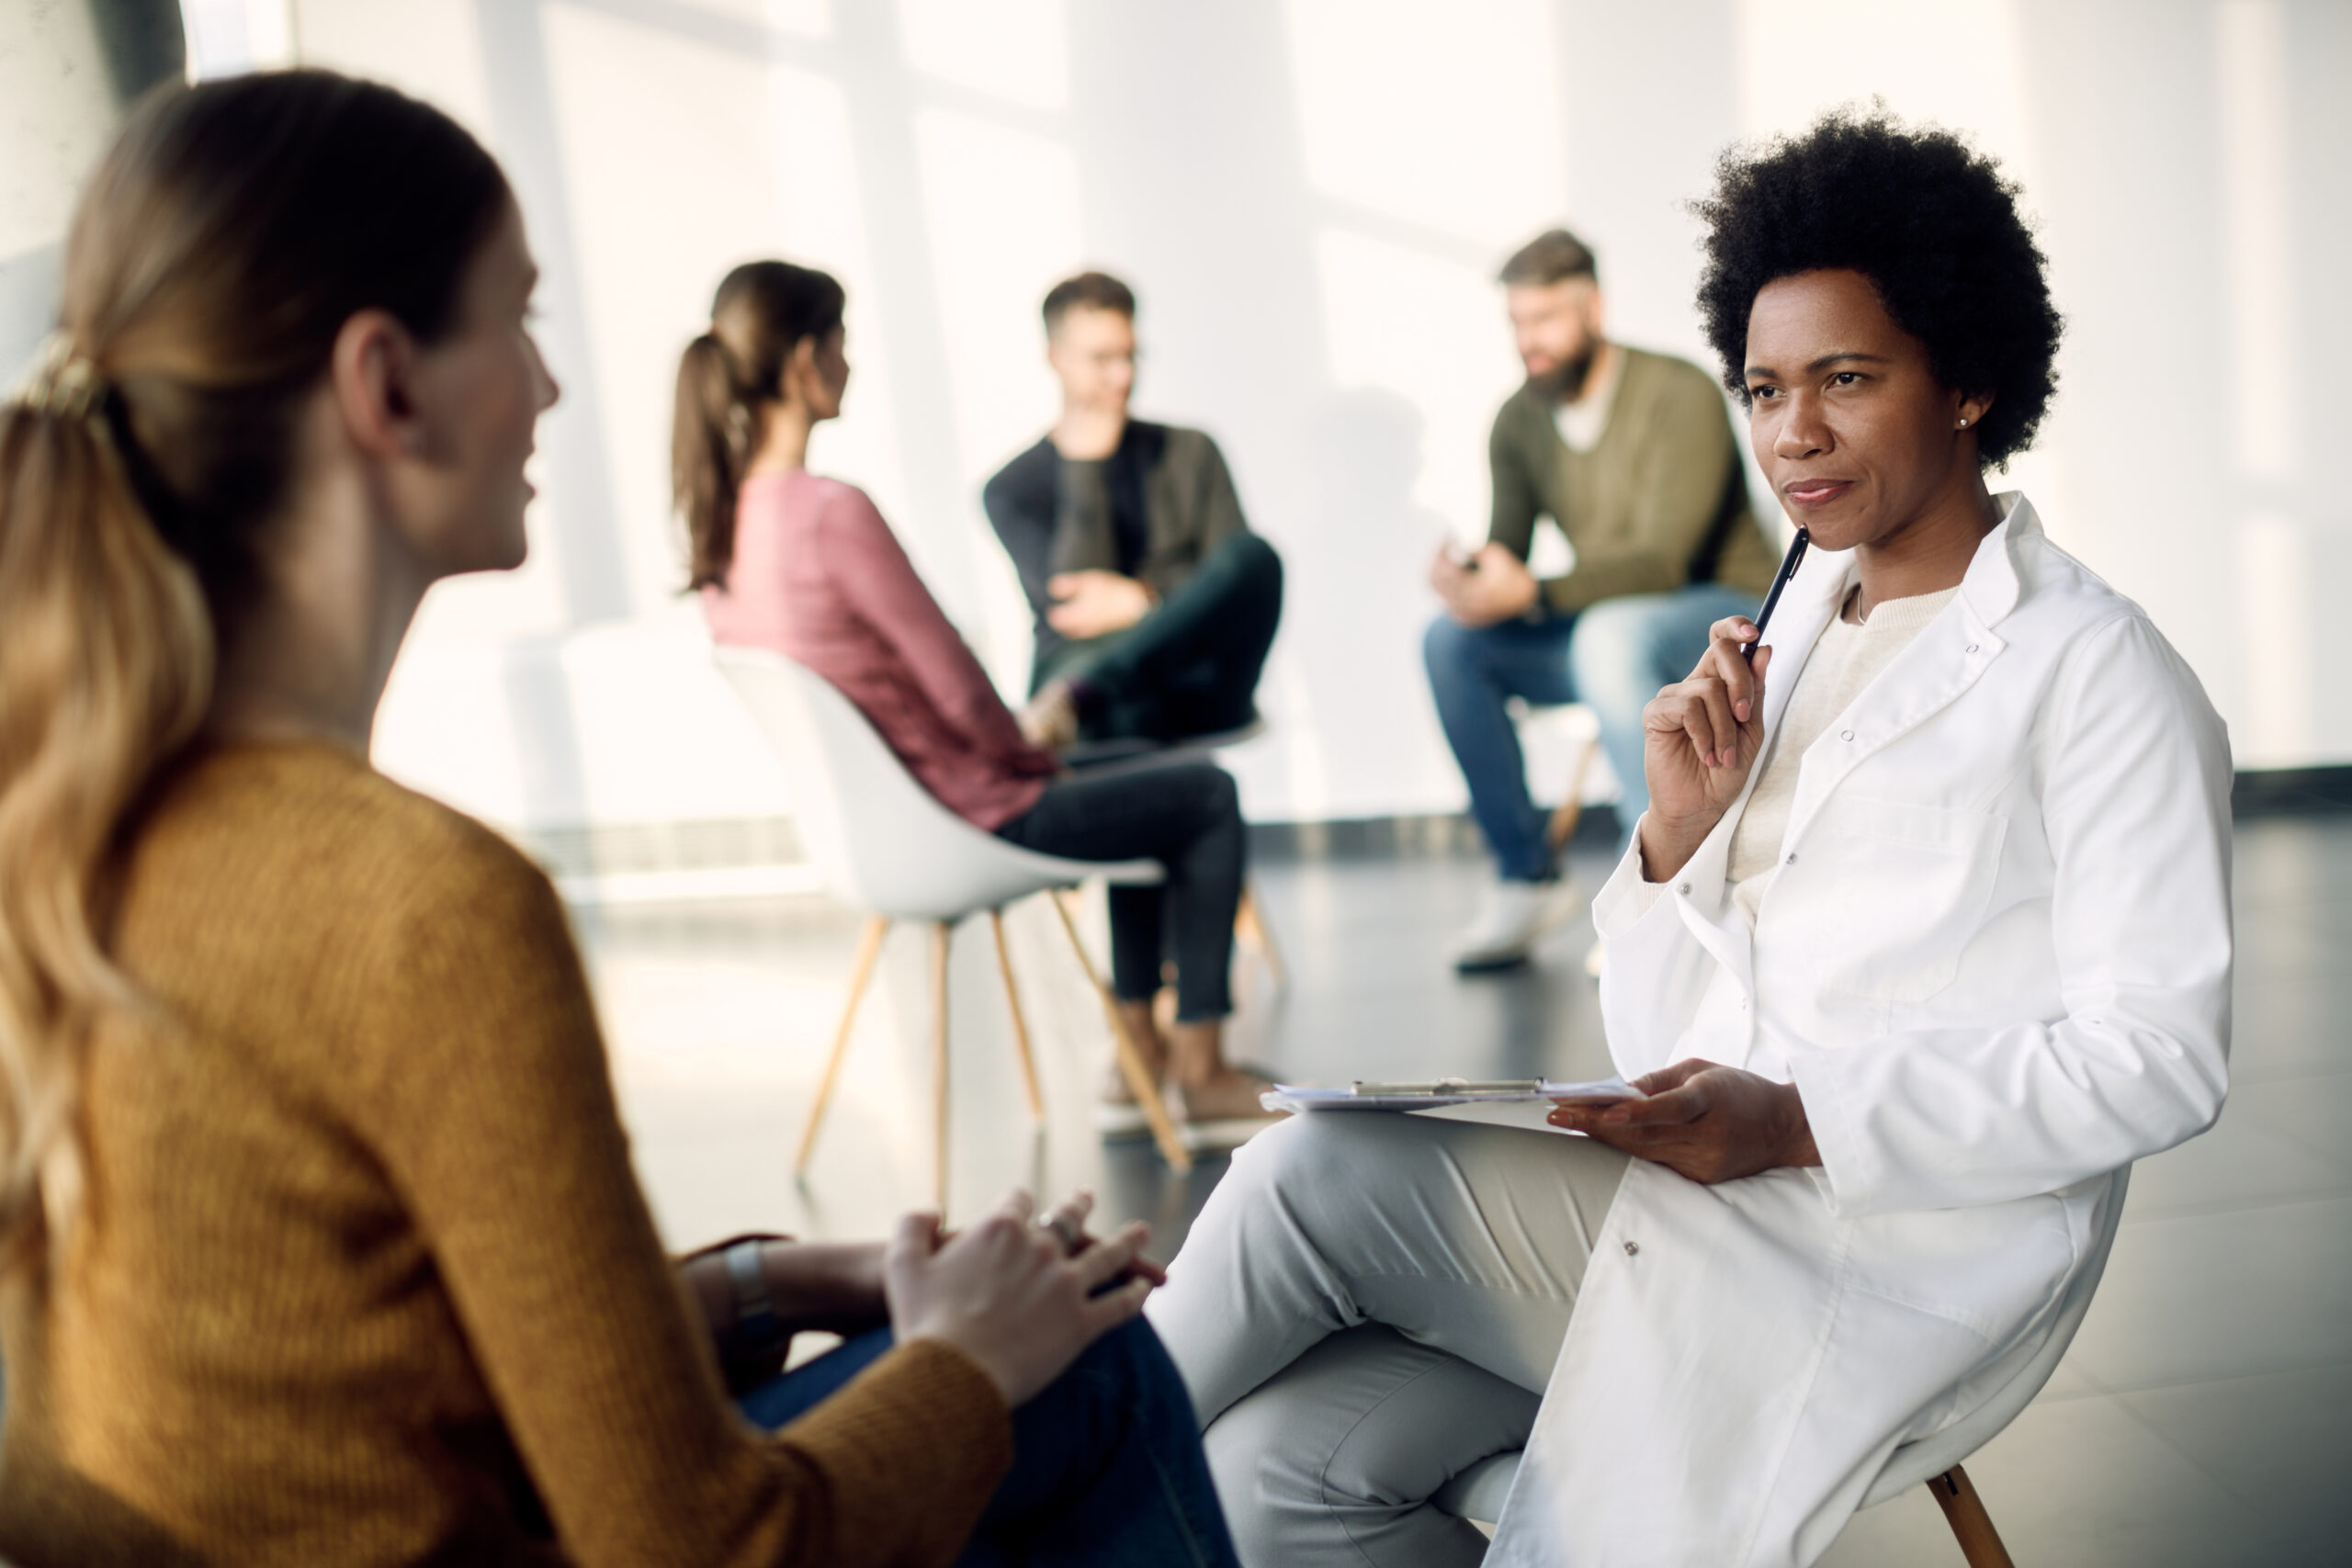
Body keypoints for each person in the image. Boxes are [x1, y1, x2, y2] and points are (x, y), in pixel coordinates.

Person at [0, 72, 1238, 1568]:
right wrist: (967, 1360)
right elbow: (709, 1549)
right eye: (517, 320)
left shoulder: (65, 828)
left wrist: (770, 1281)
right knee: (1089, 1362)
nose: (552, 386)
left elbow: (354, 1363)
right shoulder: (417, 906)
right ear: (384, 386)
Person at [1151, 110, 2232, 1567]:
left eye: (1848, 378)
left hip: (1894, 1250)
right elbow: (1671, 1024)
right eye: (1767, 385)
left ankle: (982, 1483)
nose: (1793, 432)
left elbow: (2159, 1056)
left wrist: (1798, 1117)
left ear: (1970, 376)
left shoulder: (2097, 670)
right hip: (1703, 1198)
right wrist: (1672, 841)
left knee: (1313, 1175)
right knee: (1273, 1468)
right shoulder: (1794, 627)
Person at [684, 261, 1277, 1129]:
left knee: (1146, 765)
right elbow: (953, 685)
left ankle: (1144, 1053)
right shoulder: (831, 510)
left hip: (890, 820)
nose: (850, 363)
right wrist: (1027, 752)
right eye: (842, 343)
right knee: (1207, 795)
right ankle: (1202, 1066)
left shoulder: (726, 520)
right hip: (973, 808)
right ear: (809, 361)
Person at [1426, 227, 1781, 971]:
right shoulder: (1517, 420)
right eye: (1519, 323)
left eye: (1547, 319)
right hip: (1610, 631)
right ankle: (1526, 877)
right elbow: (1510, 556)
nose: (1532, 342)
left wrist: (1534, 591)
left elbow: (1665, 558)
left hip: (1720, 613)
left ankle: (1658, 881)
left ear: (1595, 308)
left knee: (1607, 636)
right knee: (1449, 641)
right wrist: (1475, 581)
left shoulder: (1676, 391)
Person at [982, 271, 1283, 751]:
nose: (1122, 376)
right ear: (1055, 359)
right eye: (1102, 359)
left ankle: (1089, 693)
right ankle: (1090, 696)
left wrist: (1145, 600)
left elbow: (1228, 585)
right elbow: (1073, 606)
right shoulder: (1010, 489)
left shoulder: (1191, 450)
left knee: (1255, 555)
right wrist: (1085, 466)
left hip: (1192, 675)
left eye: (1130, 355)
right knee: (1117, 714)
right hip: (1081, 670)